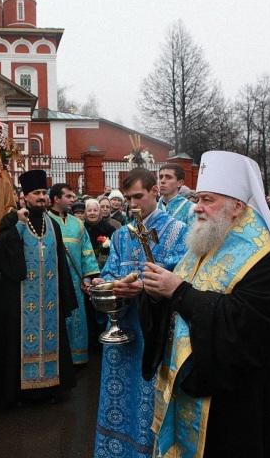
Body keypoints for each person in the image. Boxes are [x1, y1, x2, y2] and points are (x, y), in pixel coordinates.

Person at [139, 151, 270, 457]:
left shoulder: (264, 261)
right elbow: (179, 302)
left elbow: (245, 329)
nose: (197, 207)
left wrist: (177, 292)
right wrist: (155, 295)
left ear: (237, 206)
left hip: (231, 405)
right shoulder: (206, 240)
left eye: (208, 200)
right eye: (198, 198)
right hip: (190, 386)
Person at [92, 167, 188, 458]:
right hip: (123, 328)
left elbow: (180, 275)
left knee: (150, 395)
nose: (133, 204)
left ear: (154, 192)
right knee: (118, 395)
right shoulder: (121, 235)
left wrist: (143, 286)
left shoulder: (178, 231)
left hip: (156, 331)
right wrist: (103, 282)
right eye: (130, 198)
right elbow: (111, 269)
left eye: (138, 197)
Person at [0, 170, 77, 407]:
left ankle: (51, 387)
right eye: (36, 193)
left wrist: (65, 297)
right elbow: (0, 252)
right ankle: (20, 393)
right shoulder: (11, 220)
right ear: (24, 196)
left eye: (44, 192)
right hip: (19, 299)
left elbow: (61, 262)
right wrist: (19, 226)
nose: (42, 197)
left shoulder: (52, 224)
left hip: (49, 298)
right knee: (17, 344)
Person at [48, 184, 100, 366]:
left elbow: (87, 252)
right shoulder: (45, 220)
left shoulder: (78, 224)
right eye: (69, 196)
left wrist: (86, 278)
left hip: (76, 282)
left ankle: (77, 358)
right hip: (52, 281)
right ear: (56, 198)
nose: (73, 199)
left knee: (77, 318)